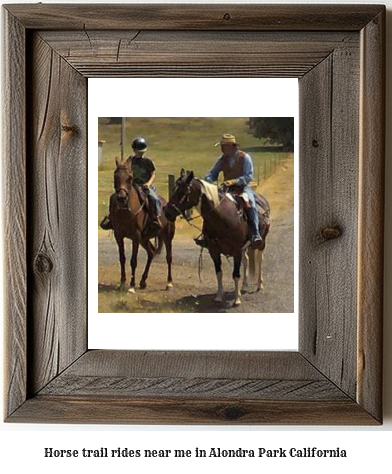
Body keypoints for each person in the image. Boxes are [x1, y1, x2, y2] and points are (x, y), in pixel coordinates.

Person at [203, 133, 263, 247]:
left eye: (223, 146)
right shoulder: (222, 160)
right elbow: (213, 173)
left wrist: (234, 181)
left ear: (232, 146)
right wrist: (207, 180)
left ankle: (255, 234)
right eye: (221, 146)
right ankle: (206, 235)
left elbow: (248, 176)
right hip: (226, 190)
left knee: (251, 204)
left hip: (243, 188)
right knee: (211, 207)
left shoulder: (245, 158)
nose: (221, 149)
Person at [100, 137, 162, 231]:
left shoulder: (148, 161)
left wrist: (148, 184)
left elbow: (153, 174)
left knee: (154, 199)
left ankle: (155, 218)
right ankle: (111, 218)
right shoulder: (130, 161)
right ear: (134, 150)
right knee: (114, 197)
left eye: (142, 150)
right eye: (138, 150)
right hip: (131, 185)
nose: (141, 152)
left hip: (145, 186)